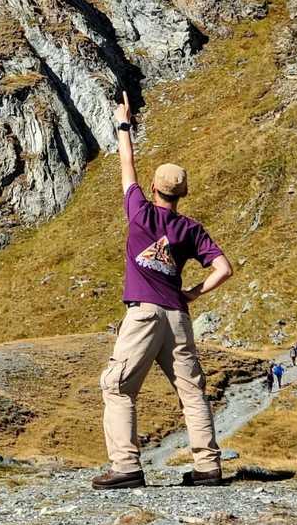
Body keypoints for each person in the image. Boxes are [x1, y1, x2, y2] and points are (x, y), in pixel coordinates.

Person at [93, 93, 233, 491]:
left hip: (143, 314)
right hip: (178, 316)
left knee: (118, 386)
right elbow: (224, 269)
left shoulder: (139, 210)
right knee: (191, 391)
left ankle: (126, 466)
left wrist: (123, 124)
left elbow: (126, 164)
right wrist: (193, 293)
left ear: (153, 187)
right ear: (182, 193)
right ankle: (207, 466)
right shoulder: (191, 229)